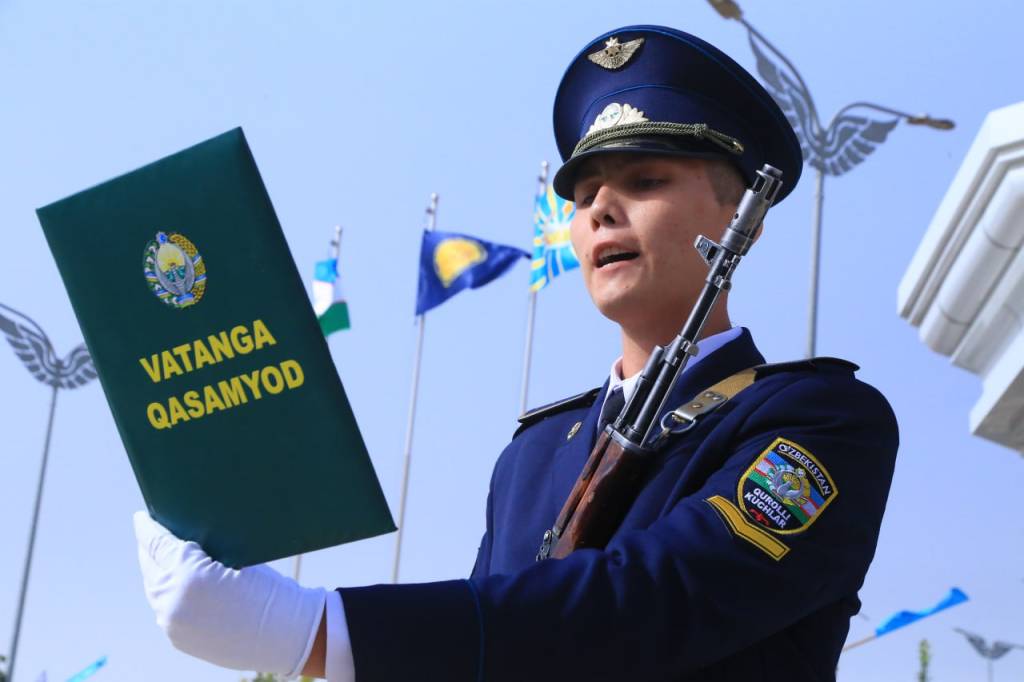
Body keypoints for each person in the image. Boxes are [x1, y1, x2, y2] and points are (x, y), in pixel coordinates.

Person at [134, 25, 898, 681]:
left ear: (743, 223)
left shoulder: (820, 421)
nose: (601, 209)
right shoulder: (533, 457)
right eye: (584, 195)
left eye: (645, 179)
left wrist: (315, 631)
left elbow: (653, 600)